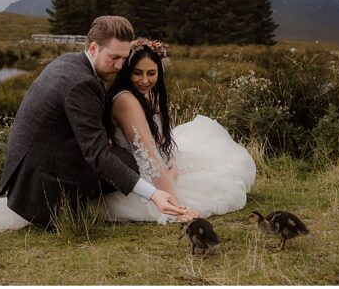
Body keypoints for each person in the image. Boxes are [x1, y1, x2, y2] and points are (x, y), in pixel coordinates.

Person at [0, 16, 186, 231]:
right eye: (114, 58)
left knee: (121, 158)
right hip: (45, 187)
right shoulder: (81, 84)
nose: (120, 66)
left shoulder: (69, 61)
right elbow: (98, 157)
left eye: (123, 58)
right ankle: (69, 206)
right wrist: (153, 194)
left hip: (32, 166)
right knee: (130, 163)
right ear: (93, 47)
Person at [99, 38, 256, 224]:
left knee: (223, 164)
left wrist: (172, 162)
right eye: (137, 73)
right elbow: (148, 156)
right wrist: (177, 206)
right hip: (140, 175)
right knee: (213, 186)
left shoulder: (147, 93)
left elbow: (160, 139)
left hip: (159, 162)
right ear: (127, 72)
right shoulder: (126, 100)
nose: (144, 80)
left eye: (151, 73)